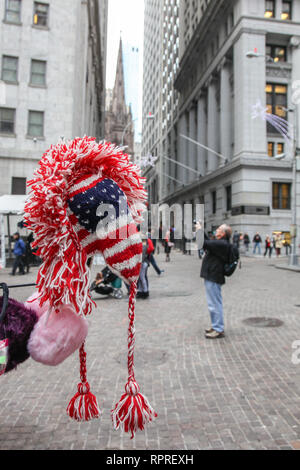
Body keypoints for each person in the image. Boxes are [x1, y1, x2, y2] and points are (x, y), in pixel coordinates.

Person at [197, 222, 232, 339]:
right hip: (212, 275)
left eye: (218, 229)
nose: (216, 230)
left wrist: (199, 231)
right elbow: (208, 243)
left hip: (214, 275)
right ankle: (215, 325)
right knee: (213, 303)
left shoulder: (222, 244)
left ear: (223, 234)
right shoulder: (220, 243)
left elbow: (204, 243)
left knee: (214, 304)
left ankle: (218, 329)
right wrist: (201, 230)